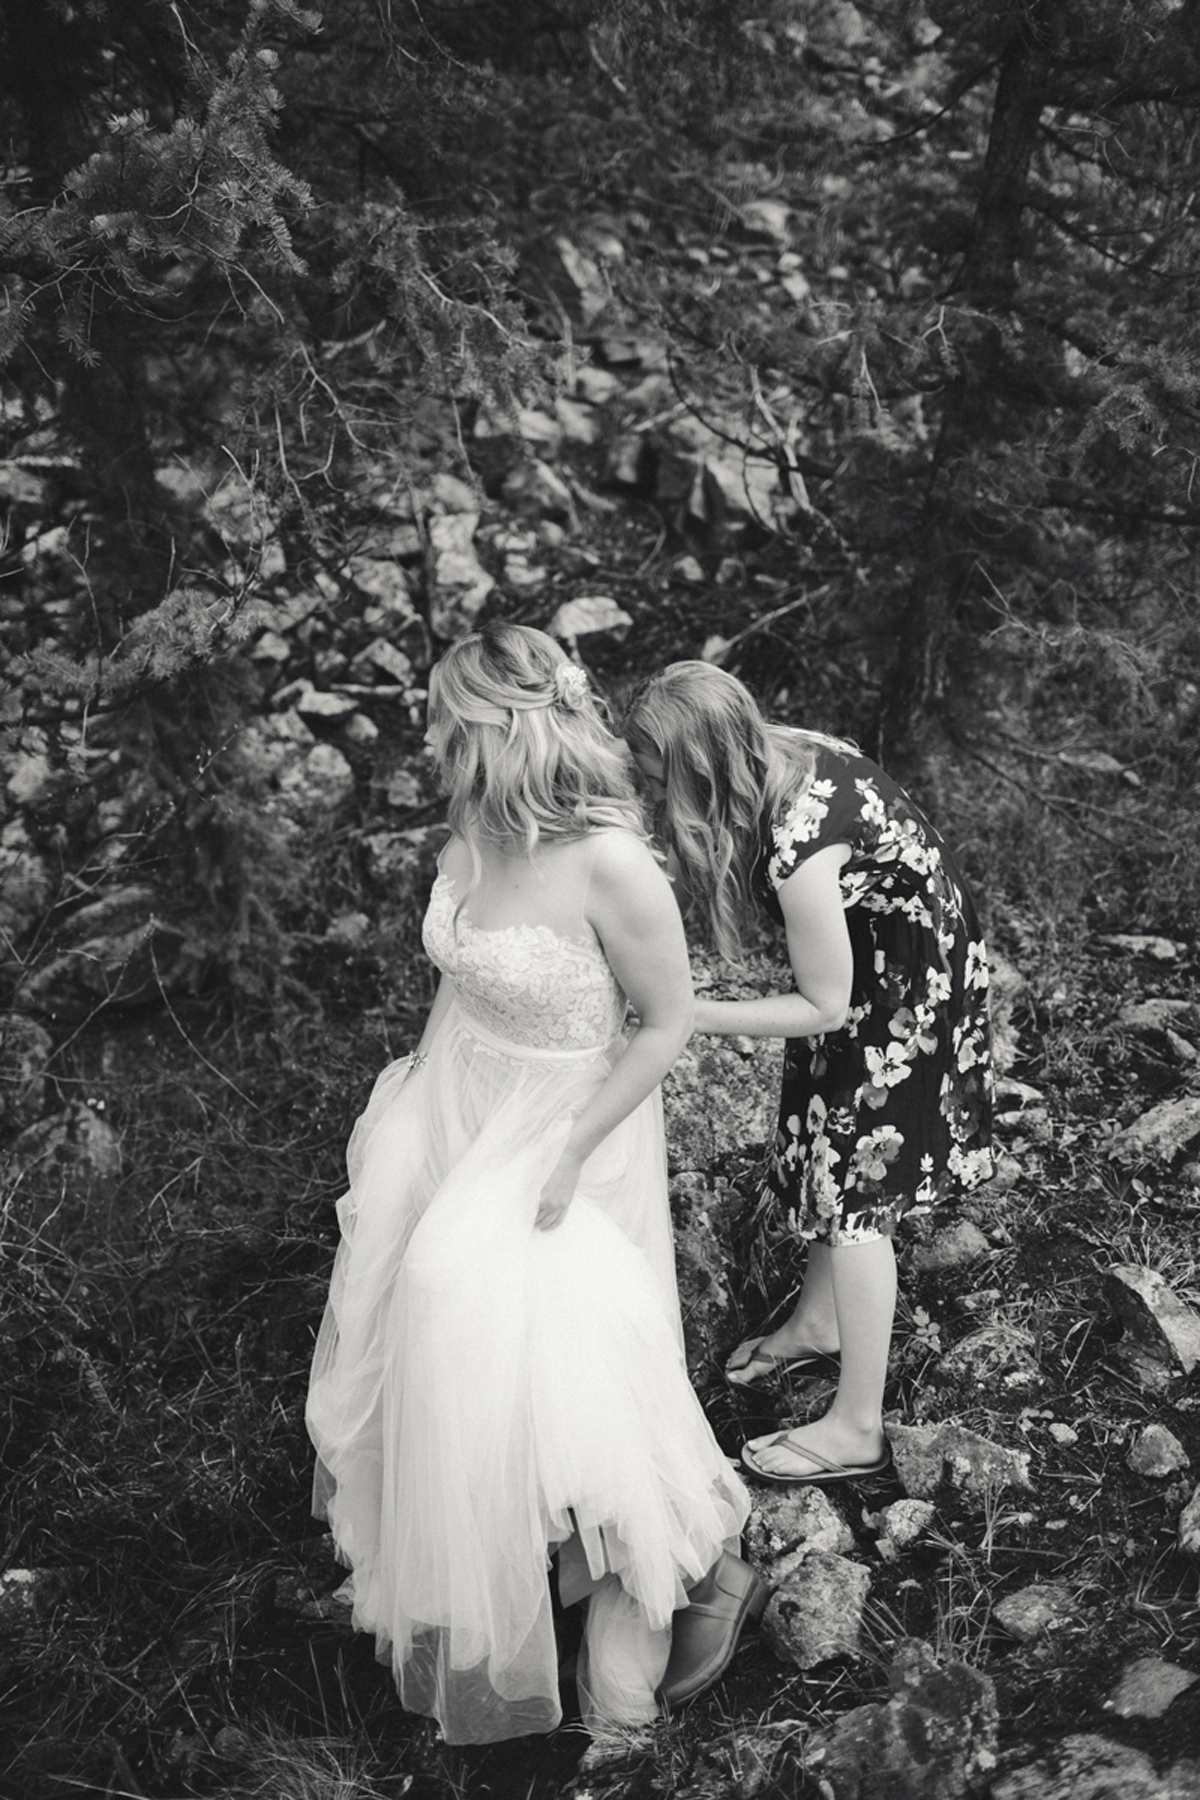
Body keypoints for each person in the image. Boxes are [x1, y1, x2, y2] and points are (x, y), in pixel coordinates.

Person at [305, 624, 763, 1745]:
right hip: (463, 1096)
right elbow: (461, 974)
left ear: (494, 728)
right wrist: (415, 1103)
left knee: (507, 1332)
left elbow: (662, 1029)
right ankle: (513, 1573)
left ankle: (657, 1622)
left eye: (440, 718)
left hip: (571, 1122)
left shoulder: (613, 861)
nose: (424, 736)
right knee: (439, 1341)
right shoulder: (472, 824)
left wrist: (564, 1154)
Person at [623, 662, 993, 1486]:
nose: (646, 785)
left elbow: (824, 1007)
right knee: (823, 1138)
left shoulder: (799, 849)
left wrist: (685, 1014)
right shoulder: (781, 749)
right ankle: (821, 1321)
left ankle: (857, 1424)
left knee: (858, 1196)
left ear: (697, 766)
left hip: (906, 990)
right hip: (874, 961)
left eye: (653, 771)